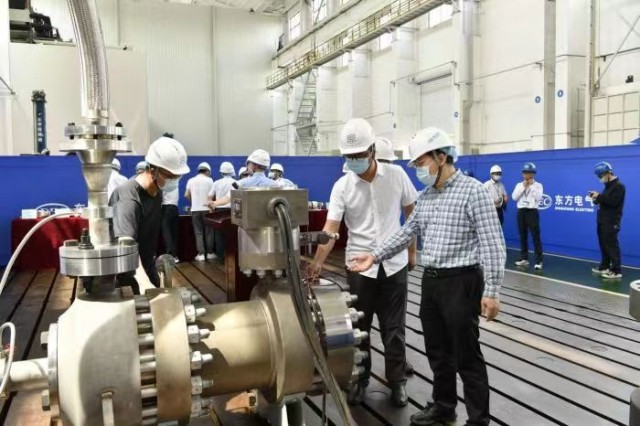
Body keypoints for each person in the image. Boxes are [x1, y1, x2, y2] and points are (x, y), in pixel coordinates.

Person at [348, 127, 505, 426]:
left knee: (466, 354)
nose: (419, 170)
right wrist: (375, 256)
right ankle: (444, 407)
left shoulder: (474, 192)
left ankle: (478, 420)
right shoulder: (427, 196)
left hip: (462, 281)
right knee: (437, 350)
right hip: (431, 282)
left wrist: (492, 291)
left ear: (441, 157)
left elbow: (492, 244)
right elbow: (408, 231)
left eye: (421, 163)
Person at [306, 118, 418, 408]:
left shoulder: (396, 176)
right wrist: (317, 262)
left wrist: (412, 253)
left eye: (359, 155)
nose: (354, 160)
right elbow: (331, 228)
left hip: (394, 264)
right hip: (359, 267)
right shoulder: (342, 186)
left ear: (372, 151)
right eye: (349, 156)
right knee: (361, 327)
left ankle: (397, 382)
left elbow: (411, 215)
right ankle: (361, 380)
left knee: (394, 328)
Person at [110, 136, 190, 294]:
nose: (174, 181)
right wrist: (144, 282)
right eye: (170, 176)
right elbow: (126, 246)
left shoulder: (156, 192)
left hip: (145, 265)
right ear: (153, 170)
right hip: (122, 275)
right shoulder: (128, 198)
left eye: (178, 177)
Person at [208, 149, 283, 208]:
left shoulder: (241, 183)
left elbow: (227, 198)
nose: (247, 167)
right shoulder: (276, 185)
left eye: (248, 164)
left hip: (248, 222)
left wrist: (214, 203)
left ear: (255, 165)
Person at [589, 161, 626, 279]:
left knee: (611, 245)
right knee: (603, 245)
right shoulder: (608, 186)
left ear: (608, 173)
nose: (600, 178)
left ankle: (616, 270)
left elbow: (613, 202)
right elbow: (605, 201)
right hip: (602, 220)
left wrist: (599, 196)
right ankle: (604, 266)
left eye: (601, 175)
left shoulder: (619, 186)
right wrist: (596, 199)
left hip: (611, 221)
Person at [512, 162, 544, 270]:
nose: (526, 175)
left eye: (529, 173)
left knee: (535, 237)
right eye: (525, 173)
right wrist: (523, 187)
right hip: (521, 212)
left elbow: (539, 198)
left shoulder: (538, 185)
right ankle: (524, 258)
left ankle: (539, 260)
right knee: (523, 236)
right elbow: (514, 197)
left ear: (533, 174)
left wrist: (531, 187)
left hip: (532, 212)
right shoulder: (519, 185)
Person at [185, 162, 215, 262]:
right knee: (209, 232)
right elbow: (213, 195)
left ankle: (201, 254)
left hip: (195, 210)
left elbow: (186, 195)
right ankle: (210, 253)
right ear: (207, 171)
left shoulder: (191, 180)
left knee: (198, 232)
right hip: (207, 209)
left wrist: (193, 202)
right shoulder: (210, 180)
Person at [207, 161, 236, 259]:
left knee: (219, 234)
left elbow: (209, 197)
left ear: (221, 172)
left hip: (219, 210)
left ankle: (220, 256)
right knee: (231, 234)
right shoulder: (235, 183)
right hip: (231, 210)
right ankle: (231, 256)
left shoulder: (216, 183)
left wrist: (211, 209)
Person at [161, 177, 180, 264]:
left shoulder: (163, 182)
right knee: (174, 232)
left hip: (165, 208)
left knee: (166, 232)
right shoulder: (176, 181)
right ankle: (174, 255)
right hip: (175, 207)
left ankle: (170, 255)